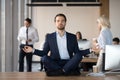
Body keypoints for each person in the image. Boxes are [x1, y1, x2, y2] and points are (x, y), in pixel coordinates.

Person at [23, 13, 90, 76]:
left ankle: (59, 72)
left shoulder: (72, 37)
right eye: (58, 21)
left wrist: (90, 50)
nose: (60, 22)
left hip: (69, 62)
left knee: (78, 56)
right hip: (55, 63)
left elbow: (77, 52)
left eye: (62, 21)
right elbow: (44, 52)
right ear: (55, 23)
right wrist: (33, 50)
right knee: (44, 58)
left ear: (65, 22)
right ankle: (66, 71)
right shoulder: (49, 37)